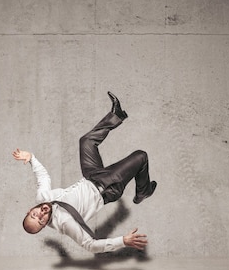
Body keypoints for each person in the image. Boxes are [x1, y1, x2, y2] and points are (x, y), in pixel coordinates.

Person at [12, 91, 157, 254]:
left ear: (29, 210)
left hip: (90, 176)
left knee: (86, 141)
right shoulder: (65, 223)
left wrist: (31, 158)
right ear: (45, 224)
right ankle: (143, 192)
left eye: (34, 215)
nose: (40, 215)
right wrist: (122, 241)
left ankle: (117, 115)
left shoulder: (43, 198)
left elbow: (43, 177)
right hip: (106, 188)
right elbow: (90, 245)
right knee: (141, 156)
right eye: (40, 221)